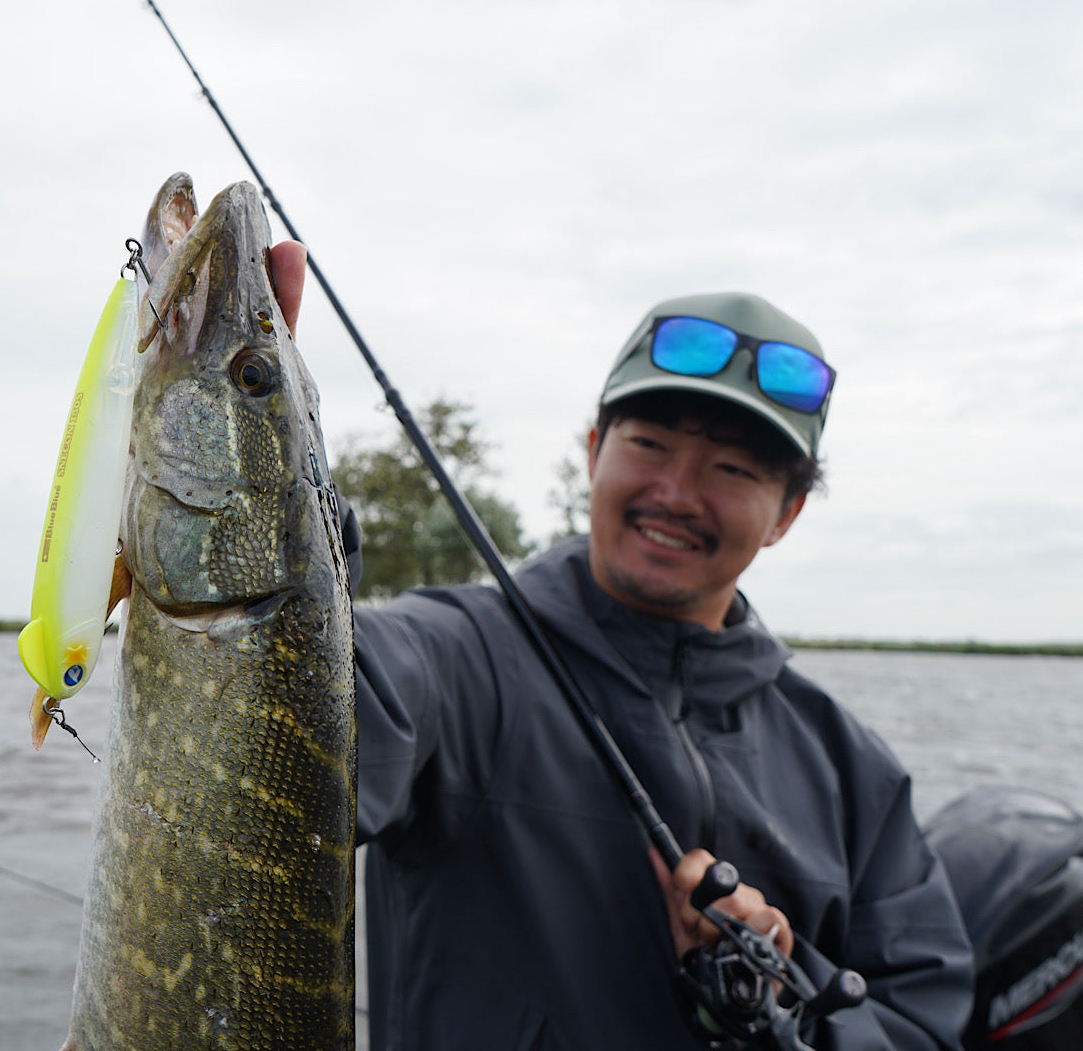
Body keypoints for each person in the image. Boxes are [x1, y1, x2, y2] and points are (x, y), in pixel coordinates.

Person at [268, 244, 974, 1050]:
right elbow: (293, 711)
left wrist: (777, 999)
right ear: (594, 449)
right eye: (649, 446)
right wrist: (272, 495)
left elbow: (923, 1025)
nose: (676, 493)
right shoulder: (453, 657)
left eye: (734, 469)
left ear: (786, 515)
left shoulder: (853, 772)